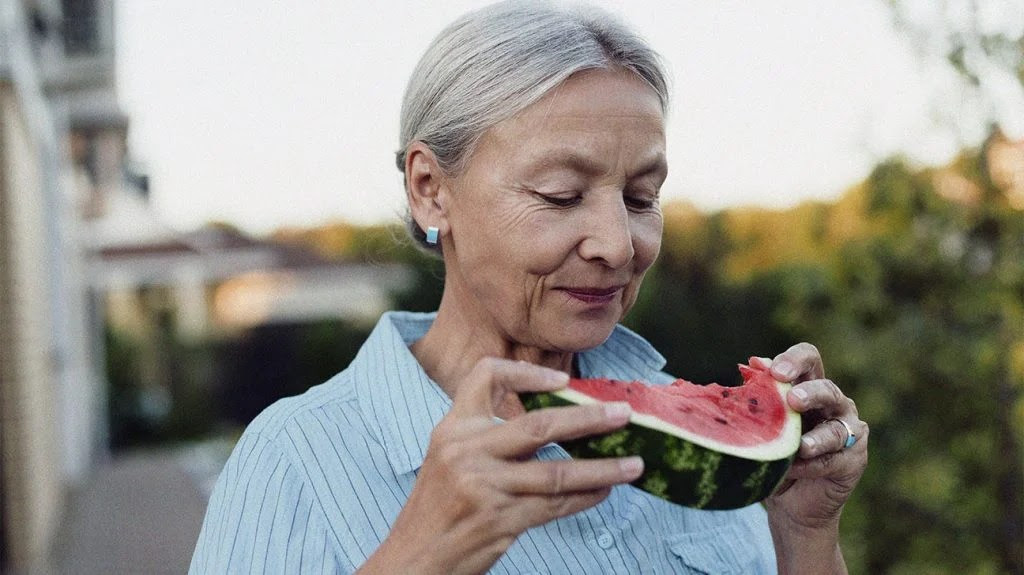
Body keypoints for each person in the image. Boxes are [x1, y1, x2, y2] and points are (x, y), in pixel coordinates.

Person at [189, 2, 868, 573]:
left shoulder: (704, 456)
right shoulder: (295, 461)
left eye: (640, 196)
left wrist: (806, 533)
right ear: (430, 190)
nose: (617, 244)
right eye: (560, 194)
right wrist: (417, 553)